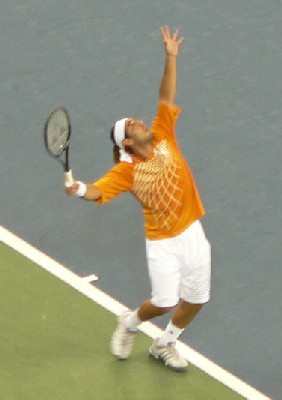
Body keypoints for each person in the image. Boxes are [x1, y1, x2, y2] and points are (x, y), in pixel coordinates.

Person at [65, 26, 211, 371]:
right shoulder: (126, 172)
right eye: (131, 125)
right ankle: (129, 323)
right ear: (126, 143)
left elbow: (166, 96)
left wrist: (171, 57)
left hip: (192, 232)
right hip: (162, 243)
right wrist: (80, 189)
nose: (140, 121)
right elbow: (99, 190)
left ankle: (165, 343)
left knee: (197, 298)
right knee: (163, 301)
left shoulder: (163, 134)